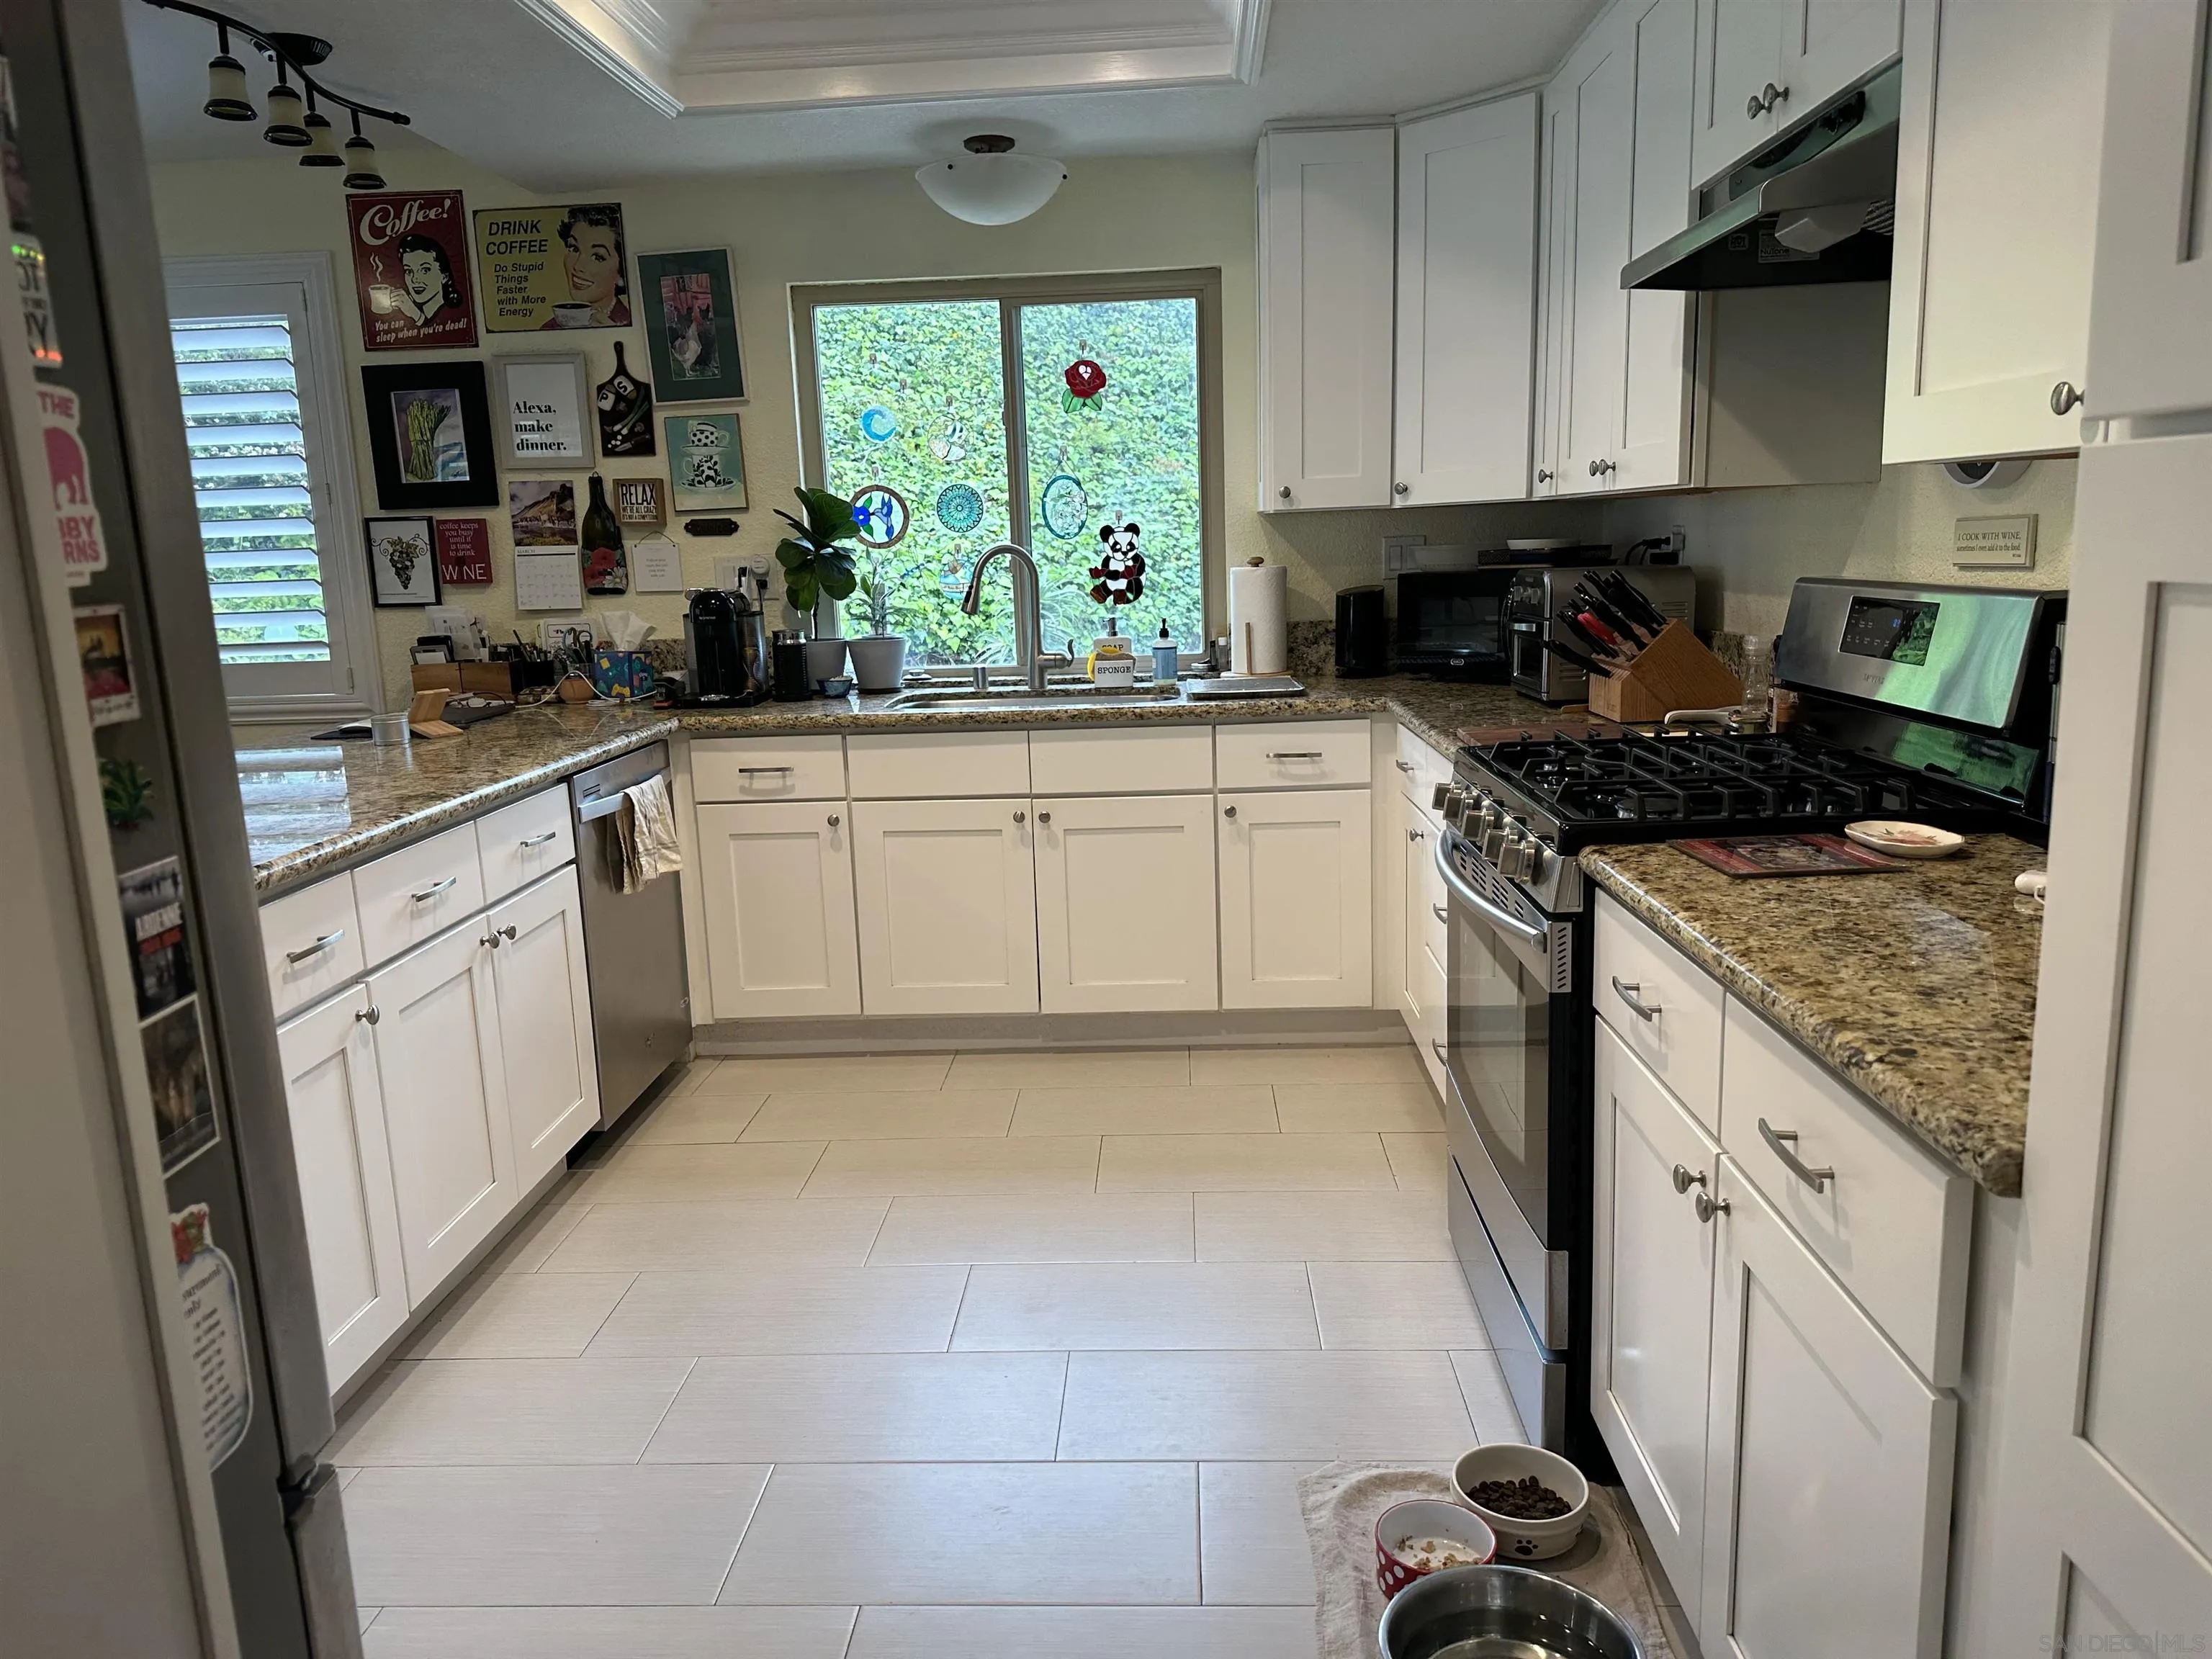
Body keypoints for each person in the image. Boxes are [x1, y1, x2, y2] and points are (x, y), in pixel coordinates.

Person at [545, 204, 629, 328]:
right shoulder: (549, 328)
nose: (578, 266)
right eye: (574, 248)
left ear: (620, 272)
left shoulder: (627, 324)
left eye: (597, 257)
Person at [395, 233, 462, 327]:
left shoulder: (453, 315)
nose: (415, 279)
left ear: (444, 277)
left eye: (425, 270)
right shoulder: (408, 314)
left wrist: (417, 316)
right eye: (409, 271)